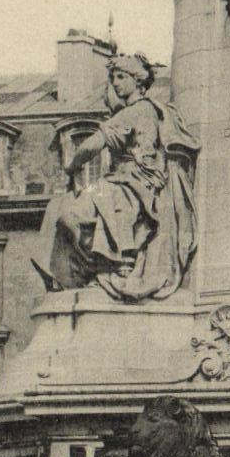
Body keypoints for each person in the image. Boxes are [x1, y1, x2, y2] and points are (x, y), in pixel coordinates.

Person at [39, 54, 199, 302]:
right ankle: (103, 267)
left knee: (70, 215)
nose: (116, 83)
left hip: (132, 184)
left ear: (137, 81)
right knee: (65, 214)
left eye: (122, 77)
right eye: (114, 78)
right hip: (123, 182)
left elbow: (91, 145)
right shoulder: (144, 110)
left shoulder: (136, 111)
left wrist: (71, 167)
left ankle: (108, 267)